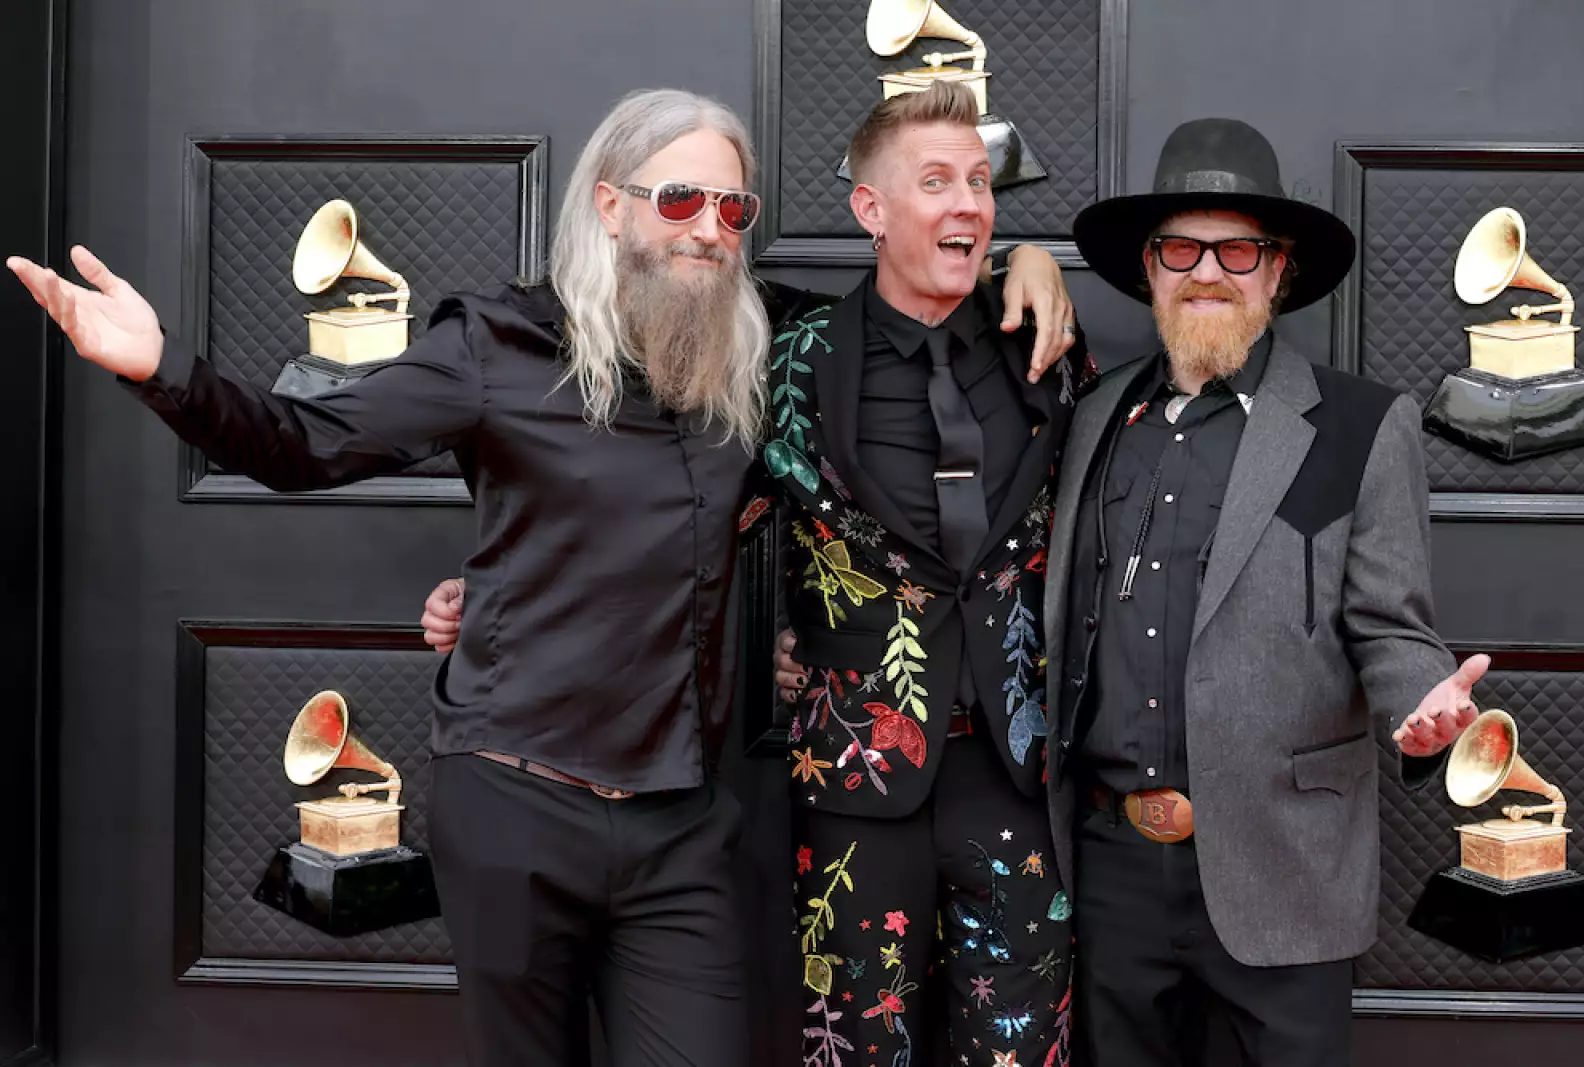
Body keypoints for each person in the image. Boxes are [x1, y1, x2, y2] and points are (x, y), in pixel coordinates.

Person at [12, 88, 1074, 1067]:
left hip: (678, 824)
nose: (709, 228)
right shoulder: (498, 344)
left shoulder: (760, 349)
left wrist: (1018, 260)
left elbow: (907, 304)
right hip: (517, 805)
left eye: (733, 208)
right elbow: (306, 441)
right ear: (611, 206)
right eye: (679, 198)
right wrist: (163, 371)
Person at [428, 82, 1090, 1067]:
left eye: (981, 185)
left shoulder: (1047, 348)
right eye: (936, 181)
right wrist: (512, 584)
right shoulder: (786, 352)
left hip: (1015, 774)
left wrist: (1028, 260)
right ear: (869, 208)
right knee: (852, 1048)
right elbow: (669, 498)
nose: (966, 203)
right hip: (853, 777)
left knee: (1021, 1049)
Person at [1035, 117, 1482, 1067]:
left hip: (1283, 867)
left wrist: (1425, 704)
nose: (1208, 271)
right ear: (1148, 271)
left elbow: (1391, 626)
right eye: (1181, 248)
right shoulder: (1093, 416)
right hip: (1111, 870)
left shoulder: (1362, 425)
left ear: (1277, 272)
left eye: (1237, 248)